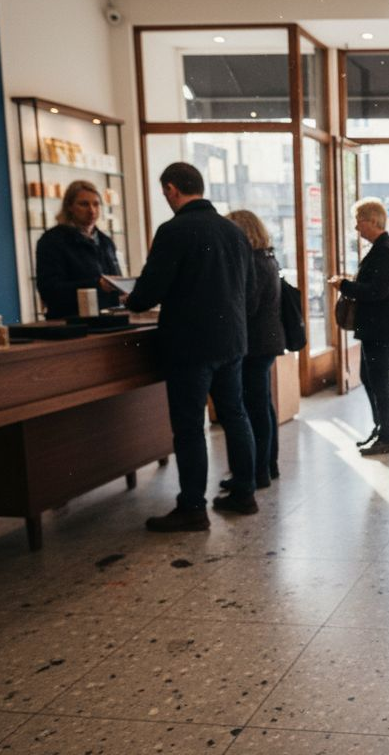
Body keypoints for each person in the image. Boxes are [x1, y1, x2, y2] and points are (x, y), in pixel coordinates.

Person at [124, 162, 258, 530]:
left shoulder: (173, 230)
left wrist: (129, 301)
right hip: (232, 340)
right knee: (236, 414)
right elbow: (250, 293)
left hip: (189, 345)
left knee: (188, 426)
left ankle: (192, 508)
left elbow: (149, 291)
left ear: (170, 189)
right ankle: (244, 493)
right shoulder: (234, 231)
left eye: (164, 192)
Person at [329, 198, 389, 456]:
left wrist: (345, 286)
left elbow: (377, 291)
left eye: (358, 221)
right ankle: (381, 429)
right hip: (378, 328)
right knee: (369, 378)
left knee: (379, 382)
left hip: (381, 329)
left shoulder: (383, 251)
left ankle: (387, 436)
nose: (356, 228)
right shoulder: (381, 249)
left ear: (372, 220)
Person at [223, 210, 284, 494]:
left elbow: (248, 306)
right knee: (262, 405)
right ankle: (268, 465)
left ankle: (259, 470)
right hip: (267, 341)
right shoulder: (267, 257)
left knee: (255, 406)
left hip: (255, 343)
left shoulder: (253, 263)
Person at [35, 179, 122, 319]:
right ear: (69, 206)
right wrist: (96, 285)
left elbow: (116, 283)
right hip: (70, 322)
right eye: (84, 204)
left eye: (96, 204)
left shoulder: (106, 242)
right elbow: (50, 290)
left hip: (107, 320)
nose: (92, 210)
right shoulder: (52, 241)